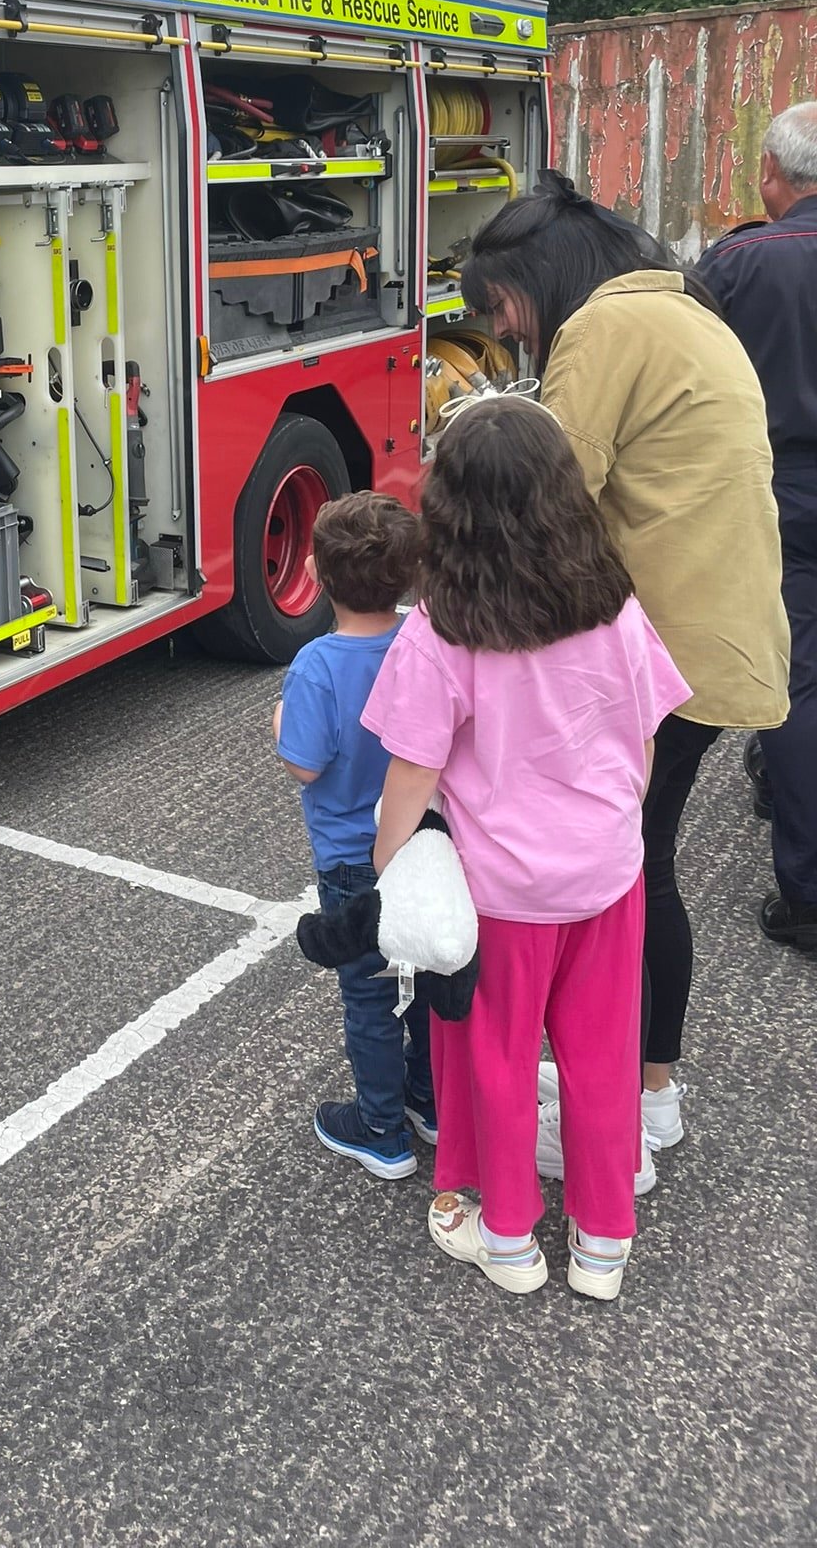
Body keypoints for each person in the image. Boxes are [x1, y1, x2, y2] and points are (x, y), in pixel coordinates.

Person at [459, 174, 788, 1178]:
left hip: (669, 650)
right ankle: (653, 1090)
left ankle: (627, 1116)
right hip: (715, 627)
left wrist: (451, 620)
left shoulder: (602, 331)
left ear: (534, 280)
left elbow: (547, 504)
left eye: (500, 312)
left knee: (622, 875)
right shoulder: (673, 298)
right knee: (643, 859)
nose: (504, 336)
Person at [363, 398, 691, 1300]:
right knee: (599, 1052)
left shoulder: (443, 627)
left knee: (496, 1059)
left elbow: (412, 774)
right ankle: (603, 1240)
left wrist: (384, 873)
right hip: (605, 873)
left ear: (450, 505)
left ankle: (508, 1236)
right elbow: (647, 734)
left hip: (501, 890)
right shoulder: (612, 603)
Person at [273, 491, 431, 1179]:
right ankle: (430, 1101)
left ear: (315, 571)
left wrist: (281, 722)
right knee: (424, 982)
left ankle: (380, 1127)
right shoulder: (422, 638)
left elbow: (305, 763)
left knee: (368, 994)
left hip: (350, 861)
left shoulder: (317, 666)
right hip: (423, 847)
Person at [698, 103, 817, 953]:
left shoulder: (741, 261)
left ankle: (807, 891)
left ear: (774, 175)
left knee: (796, 679)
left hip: (785, 493)